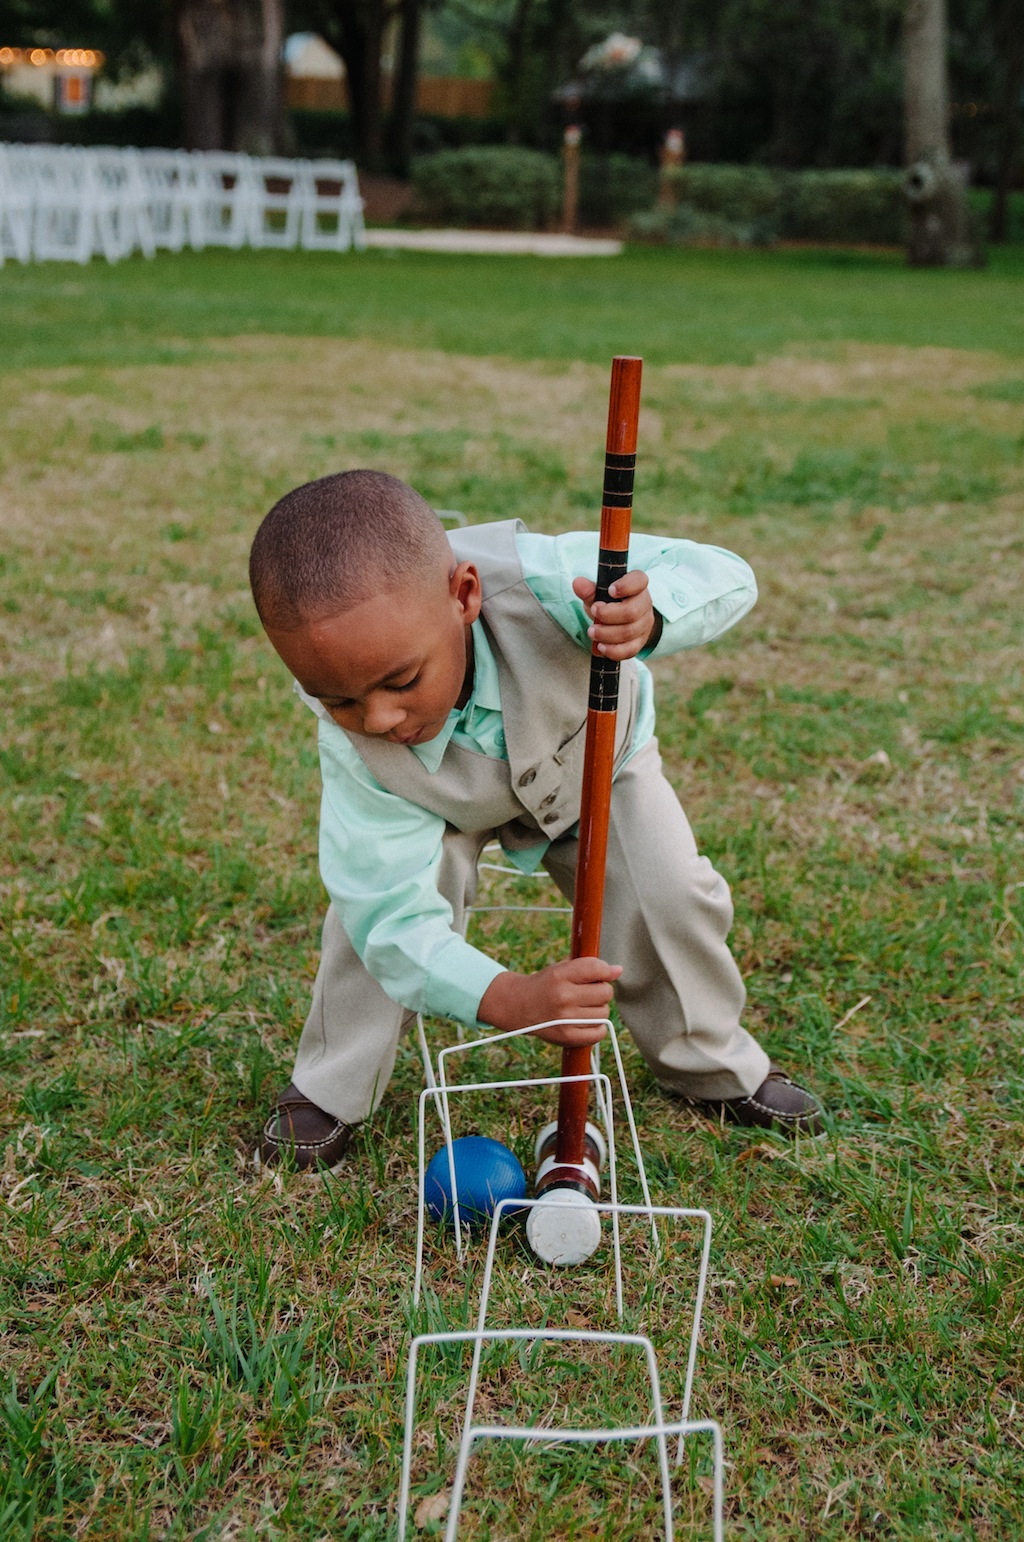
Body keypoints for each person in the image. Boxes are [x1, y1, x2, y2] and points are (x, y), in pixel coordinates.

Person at [248, 469, 824, 1171]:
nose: (379, 720)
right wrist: (510, 998)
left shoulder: (553, 583)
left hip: (594, 766)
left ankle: (710, 1063)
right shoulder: (360, 743)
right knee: (368, 920)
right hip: (442, 804)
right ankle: (330, 1088)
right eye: (338, 699)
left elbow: (722, 573)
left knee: (670, 894)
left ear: (463, 594)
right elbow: (390, 917)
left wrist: (655, 613)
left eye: (401, 681)